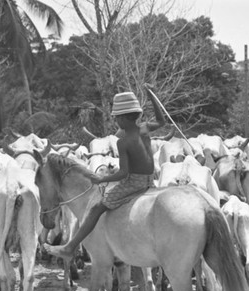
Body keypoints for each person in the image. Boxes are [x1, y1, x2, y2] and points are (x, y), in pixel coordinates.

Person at [44, 86, 166, 260]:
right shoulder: (145, 128)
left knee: (97, 208)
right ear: (137, 115)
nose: (116, 121)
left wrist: (102, 179)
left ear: (122, 119)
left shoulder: (123, 142)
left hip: (134, 183)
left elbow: (123, 174)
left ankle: (70, 247)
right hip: (150, 181)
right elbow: (162, 122)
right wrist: (153, 97)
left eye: (116, 118)